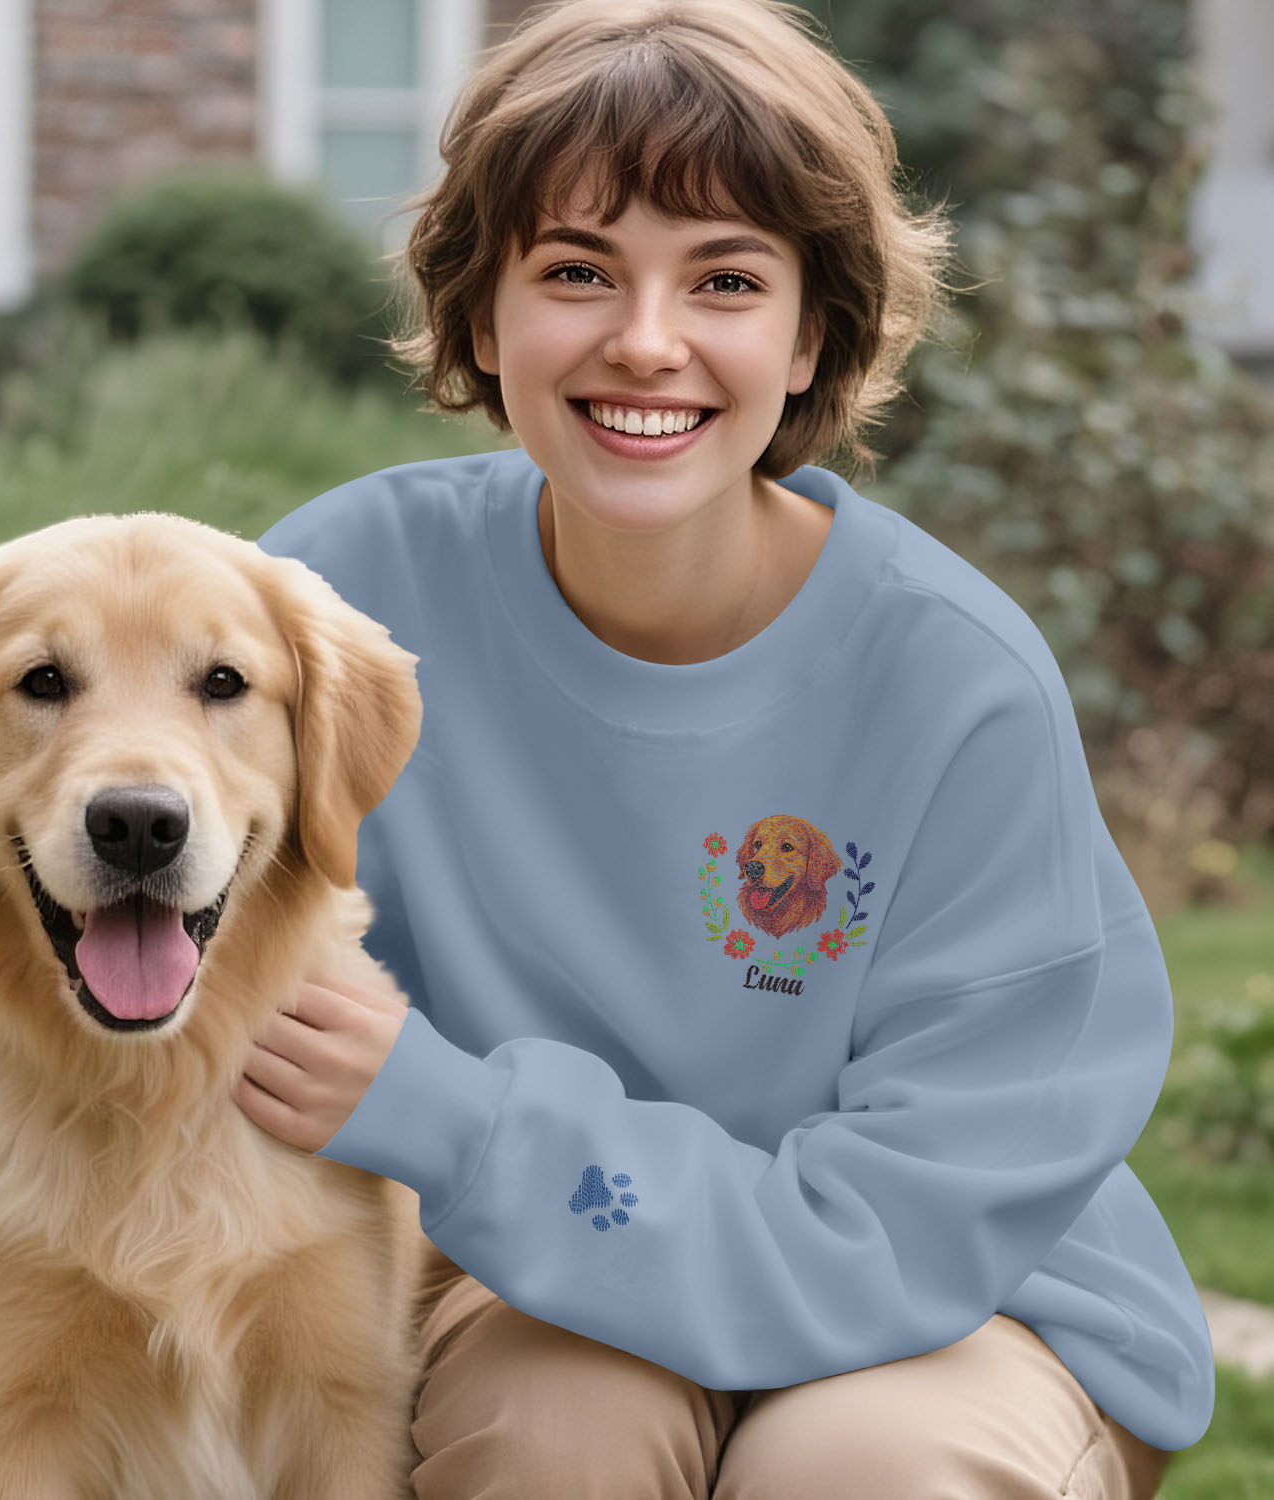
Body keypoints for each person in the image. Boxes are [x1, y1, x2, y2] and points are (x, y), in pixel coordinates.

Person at [235, 2, 1216, 1494]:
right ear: (481, 315)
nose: (647, 342)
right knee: (551, 1438)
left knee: (857, 1469)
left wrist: (454, 1116)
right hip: (530, 1264)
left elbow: (898, 1233)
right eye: (577, 271)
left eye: (727, 281)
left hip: (958, 1299)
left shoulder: (959, 684)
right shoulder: (334, 603)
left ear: (812, 333)